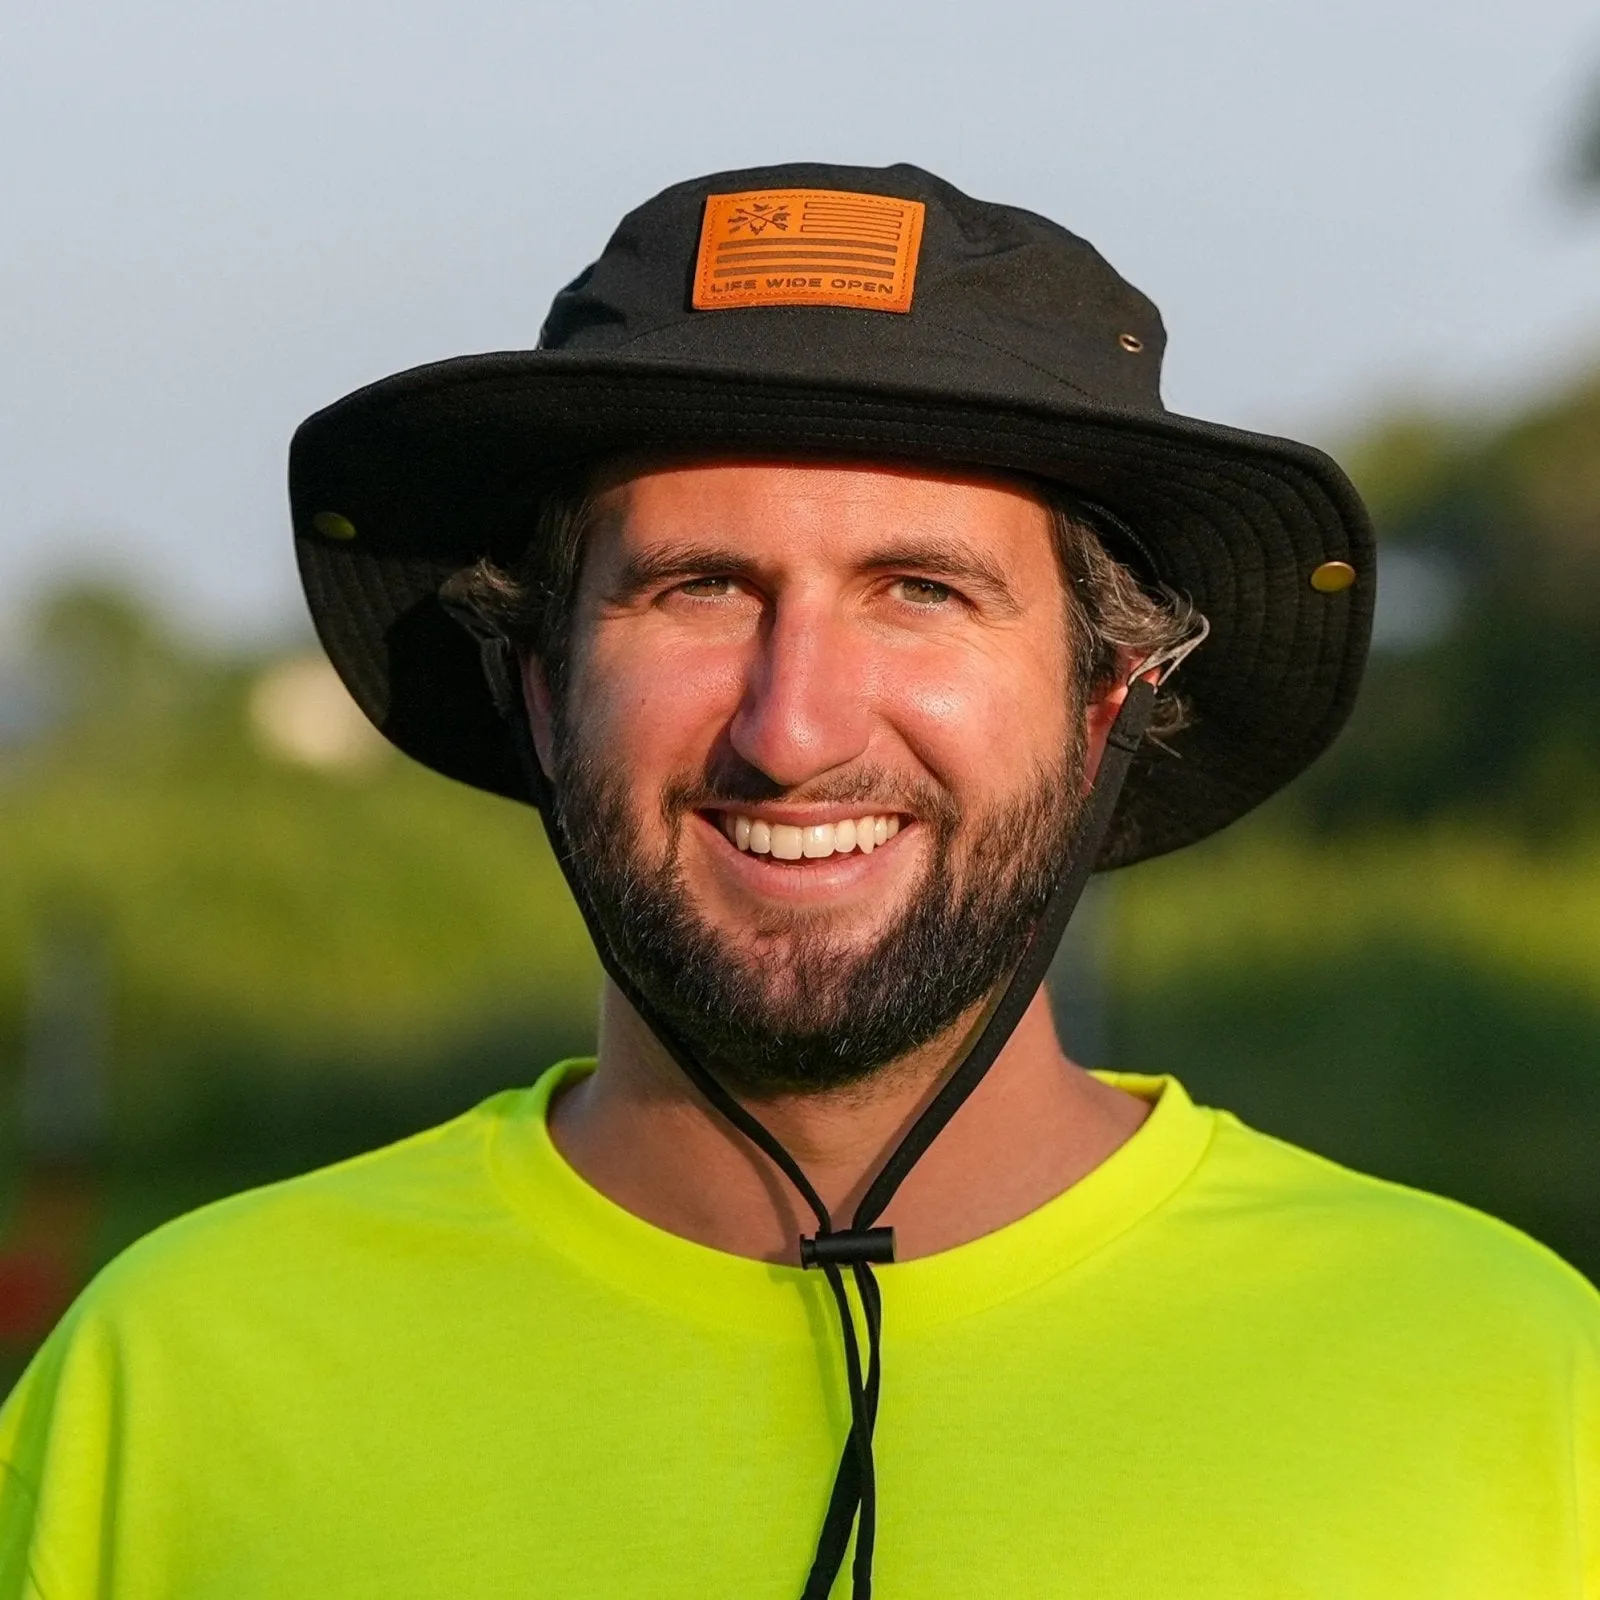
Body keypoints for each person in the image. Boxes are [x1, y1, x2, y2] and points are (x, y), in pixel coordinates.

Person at [2, 162, 1597, 1599]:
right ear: (543, 694)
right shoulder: (172, 1380)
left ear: (1108, 698)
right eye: (700, 588)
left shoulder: (1518, 1386)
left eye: (921, 591)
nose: (794, 726)